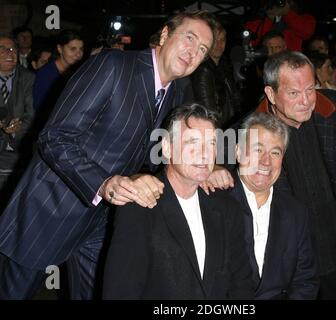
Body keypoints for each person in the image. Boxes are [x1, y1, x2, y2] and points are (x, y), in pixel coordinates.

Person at [0, 10, 215, 300]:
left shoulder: (175, 92)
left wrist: (206, 168)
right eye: (189, 38)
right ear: (165, 35)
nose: (194, 52)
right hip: (47, 212)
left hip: (100, 222)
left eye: (202, 49)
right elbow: (54, 138)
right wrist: (102, 183)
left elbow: (154, 155)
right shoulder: (113, 64)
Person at [208, 51, 336, 299]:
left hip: (335, 247)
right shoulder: (247, 131)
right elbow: (200, 161)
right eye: (294, 93)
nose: (306, 100)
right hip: (287, 260)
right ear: (271, 94)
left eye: (310, 89)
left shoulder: (335, 108)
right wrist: (215, 168)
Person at [103, 103, 254, 299]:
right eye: (193, 142)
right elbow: (120, 293)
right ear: (167, 148)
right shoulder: (140, 206)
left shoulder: (227, 208)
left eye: (211, 144)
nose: (204, 153)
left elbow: (242, 286)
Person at [228, 112, 318, 299]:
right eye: (257, 150)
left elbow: (306, 279)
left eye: (275, 152)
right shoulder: (214, 203)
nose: (266, 161)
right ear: (238, 152)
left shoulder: (296, 212)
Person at [0, 36, 34, 211]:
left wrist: (18, 127)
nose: (9, 53)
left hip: (16, 152)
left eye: (13, 49)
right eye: (3, 49)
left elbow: (34, 115)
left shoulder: (28, 78)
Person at [190, 19, 242, 128]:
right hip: (219, 129)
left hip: (230, 126)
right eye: (215, 40)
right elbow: (208, 109)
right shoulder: (203, 69)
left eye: (222, 40)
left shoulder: (224, 64)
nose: (219, 45)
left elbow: (234, 99)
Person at [33, 30, 84, 112]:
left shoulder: (80, 71)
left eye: (81, 49)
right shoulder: (46, 74)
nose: (78, 54)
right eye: (72, 49)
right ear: (60, 49)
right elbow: (40, 107)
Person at [244, 0, 315, 51]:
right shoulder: (258, 18)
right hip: (266, 61)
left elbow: (307, 32)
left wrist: (287, 13)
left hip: (290, 62)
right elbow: (252, 41)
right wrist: (269, 19)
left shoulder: (303, 17)